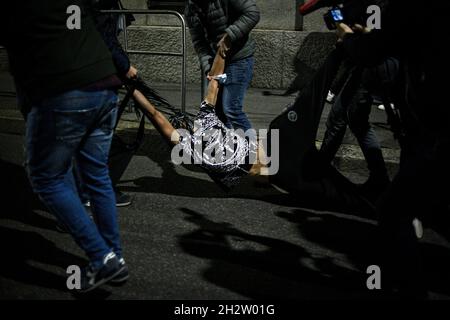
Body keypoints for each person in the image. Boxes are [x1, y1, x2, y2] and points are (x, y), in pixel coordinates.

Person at [1, 0, 128, 292]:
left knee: (46, 178)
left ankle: (102, 257)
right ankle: (113, 257)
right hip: (103, 81)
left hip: (62, 88)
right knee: (96, 174)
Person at [185, 0, 260, 133]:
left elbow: (252, 13)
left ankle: (253, 151)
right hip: (216, 61)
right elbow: (199, 42)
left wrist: (229, 36)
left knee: (231, 109)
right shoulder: (191, 8)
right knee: (216, 111)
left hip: (239, 57)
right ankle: (229, 148)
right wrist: (208, 67)